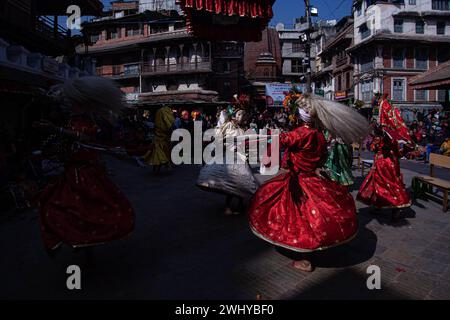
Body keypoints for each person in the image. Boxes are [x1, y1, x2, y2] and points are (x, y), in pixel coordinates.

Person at [249, 94, 370, 272]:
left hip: (298, 181)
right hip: (313, 179)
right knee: (311, 216)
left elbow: (281, 140)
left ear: (300, 115)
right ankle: (308, 253)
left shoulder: (300, 133)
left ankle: (306, 260)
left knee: (299, 216)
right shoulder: (319, 136)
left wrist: (265, 138)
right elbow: (321, 159)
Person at [33, 77, 134, 254]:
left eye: (70, 103)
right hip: (72, 172)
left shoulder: (87, 122)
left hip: (86, 174)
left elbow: (84, 137)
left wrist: (55, 129)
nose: (67, 106)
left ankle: (84, 244)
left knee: (87, 211)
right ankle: (78, 241)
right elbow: (66, 145)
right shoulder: (71, 121)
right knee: (59, 205)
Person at [197, 101, 259, 216]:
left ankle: (240, 203)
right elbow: (218, 137)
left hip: (240, 158)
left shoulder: (241, 128)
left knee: (242, 181)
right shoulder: (228, 125)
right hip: (229, 157)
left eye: (243, 115)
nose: (242, 117)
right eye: (240, 114)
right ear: (234, 115)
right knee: (232, 182)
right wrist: (225, 143)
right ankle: (228, 207)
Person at [357, 96, 412, 220]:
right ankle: (379, 204)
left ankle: (397, 206)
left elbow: (378, 146)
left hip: (386, 163)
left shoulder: (389, 136)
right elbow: (375, 146)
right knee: (378, 184)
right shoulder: (385, 134)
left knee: (390, 184)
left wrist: (376, 141)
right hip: (383, 162)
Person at [143, 106, 175, 173]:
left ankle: (156, 169)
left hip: (159, 141)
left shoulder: (159, 116)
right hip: (162, 142)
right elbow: (169, 127)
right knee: (161, 155)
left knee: (158, 156)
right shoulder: (164, 113)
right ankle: (158, 168)